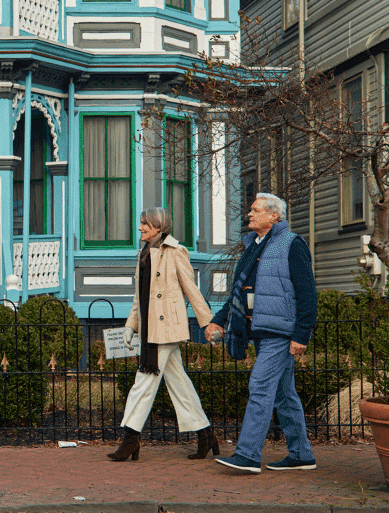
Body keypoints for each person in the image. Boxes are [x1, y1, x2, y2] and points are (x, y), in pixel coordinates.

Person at [205, 193, 318, 473]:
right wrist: (219, 320)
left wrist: (302, 334)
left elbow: (307, 294)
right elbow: (238, 293)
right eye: (251, 211)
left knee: (259, 388)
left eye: (256, 211)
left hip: (279, 333)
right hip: (260, 331)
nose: (249, 215)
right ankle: (302, 454)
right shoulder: (253, 246)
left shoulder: (291, 245)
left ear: (273, 216)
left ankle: (247, 455)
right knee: (284, 395)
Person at [108, 207, 217, 461]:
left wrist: (207, 322)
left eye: (145, 224)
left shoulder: (176, 251)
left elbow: (191, 289)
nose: (140, 228)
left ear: (158, 227)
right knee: (180, 385)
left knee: (142, 383)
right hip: (150, 328)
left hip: (166, 328)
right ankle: (206, 434)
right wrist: (130, 325)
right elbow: (139, 297)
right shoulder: (143, 254)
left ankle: (130, 438)